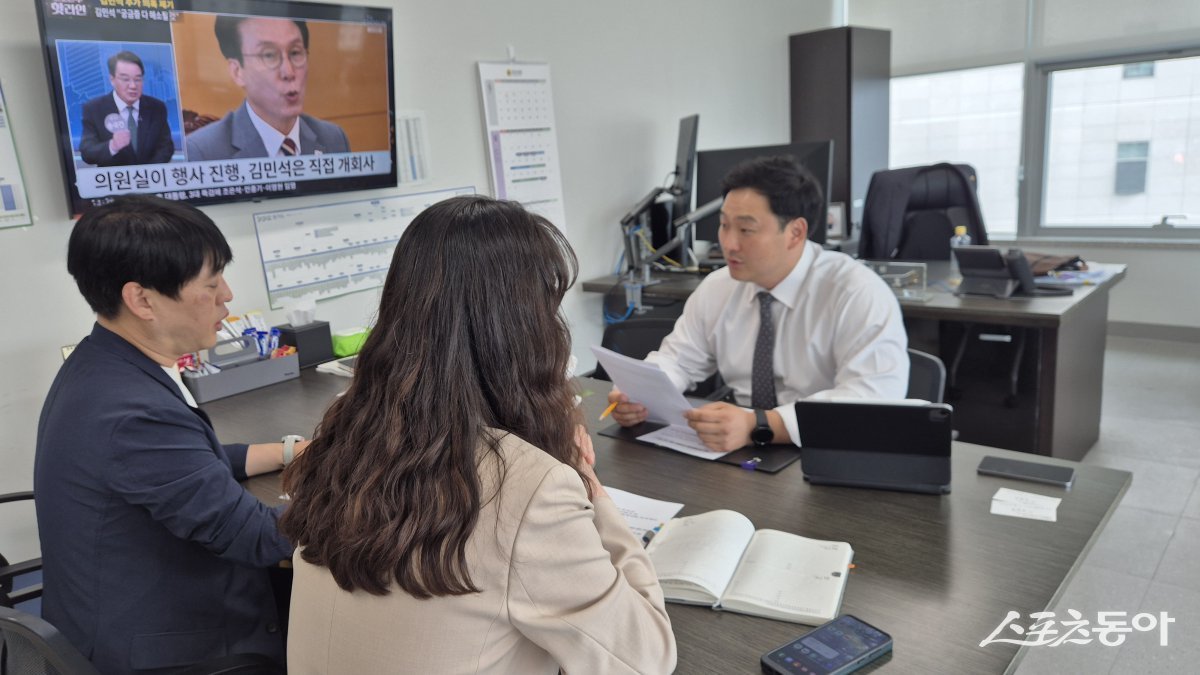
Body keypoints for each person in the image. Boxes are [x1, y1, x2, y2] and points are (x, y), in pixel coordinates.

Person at [279, 196, 676, 674]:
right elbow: (646, 657)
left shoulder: (341, 439)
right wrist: (589, 485)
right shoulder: (530, 489)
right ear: (524, 329)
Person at [35, 195, 305, 673]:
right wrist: (371, 495)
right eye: (211, 281)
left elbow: (181, 463)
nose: (227, 295)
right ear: (141, 299)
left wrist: (288, 450)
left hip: (108, 618)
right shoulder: (131, 412)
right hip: (168, 653)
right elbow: (260, 538)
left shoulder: (102, 364)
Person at [608, 156, 909, 452]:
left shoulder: (856, 292)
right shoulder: (718, 286)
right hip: (737, 445)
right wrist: (639, 393)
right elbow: (678, 359)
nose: (729, 243)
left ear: (795, 232)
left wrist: (761, 424)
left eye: (745, 230)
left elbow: (873, 397)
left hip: (826, 448)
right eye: (724, 225)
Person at [185, 16, 350, 160]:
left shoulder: (334, 138)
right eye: (269, 55)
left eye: (295, 53)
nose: (288, 72)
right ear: (238, 72)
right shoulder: (202, 152)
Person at [78, 51, 175, 167]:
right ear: (112, 80)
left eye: (138, 79)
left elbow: (166, 147)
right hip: (115, 182)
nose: (133, 86)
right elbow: (87, 152)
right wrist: (112, 146)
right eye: (125, 79)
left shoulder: (157, 107)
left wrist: (148, 172)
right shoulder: (94, 109)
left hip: (150, 180)